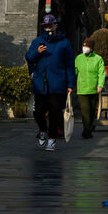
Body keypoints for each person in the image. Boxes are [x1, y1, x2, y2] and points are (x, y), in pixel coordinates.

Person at [25, 14, 74, 152]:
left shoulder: (64, 42)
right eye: (45, 26)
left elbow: (70, 64)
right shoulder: (38, 41)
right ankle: (42, 129)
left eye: (50, 25)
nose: (48, 28)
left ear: (55, 25)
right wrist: (37, 52)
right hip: (41, 83)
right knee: (38, 112)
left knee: (54, 113)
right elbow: (28, 57)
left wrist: (70, 84)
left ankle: (52, 139)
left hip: (58, 84)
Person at [75, 36, 105, 139]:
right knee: (85, 111)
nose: (85, 48)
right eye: (84, 46)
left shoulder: (98, 59)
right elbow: (74, 72)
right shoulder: (78, 58)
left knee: (92, 110)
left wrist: (100, 85)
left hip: (93, 89)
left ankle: (89, 127)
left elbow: (101, 73)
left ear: (92, 48)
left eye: (87, 46)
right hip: (82, 89)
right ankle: (86, 130)